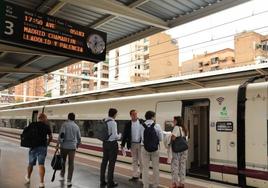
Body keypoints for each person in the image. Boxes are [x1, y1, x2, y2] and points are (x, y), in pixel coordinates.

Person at [25, 113, 52, 188]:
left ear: (38, 118)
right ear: (43, 118)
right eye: (46, 118)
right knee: (41, 164)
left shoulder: (32, 124)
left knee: (30, 163)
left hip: (33, 147)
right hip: (42, 147)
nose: (46, 120)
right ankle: (41, 182)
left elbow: (26, 134)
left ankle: (28, 178)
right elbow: (50, 137)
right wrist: (47, 143)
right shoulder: (46, 126)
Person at [57, 112, 81, 187]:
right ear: (74, 118)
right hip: (72, 147)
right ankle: (69, 181)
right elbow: (79, 137)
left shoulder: (64, 125)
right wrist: (77, 144)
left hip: (64, 146)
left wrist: (58, 144)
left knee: (63, 161)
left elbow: (61, 135)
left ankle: (62, 175)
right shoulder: (76, 126)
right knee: (71, 163)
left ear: (68, 118)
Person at [141, 111, 163, 188]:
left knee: (145, 168)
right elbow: (161, 138)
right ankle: (155, 185)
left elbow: (140, 138)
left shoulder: (142, 125)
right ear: (152, 117)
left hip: (144, 148)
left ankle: (145, 185)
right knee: (156, 167)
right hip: (155, 149)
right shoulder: (157, 126)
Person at [100, 108, 121, 188]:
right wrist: (120, 135)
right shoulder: (113, 122)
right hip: (112, 144)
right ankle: (110, 182)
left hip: (105, 143)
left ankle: (102, 180)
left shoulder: (104, 120)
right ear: (114, 114)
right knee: (111, 163)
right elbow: (115, 136)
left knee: (104, 162)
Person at [121, 109, 143, 181]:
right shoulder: (128, 124)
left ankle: (142, 174)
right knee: (134, 160)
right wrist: (123, 144)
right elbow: (125, 134)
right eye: (133, 114)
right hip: (132, 144)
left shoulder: (142, 122)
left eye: (136, 114)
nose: (135, 115)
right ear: (130, 115)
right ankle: (135, 175)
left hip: (141, 144)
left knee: (141, 160)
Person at [170, 116, 188, 188]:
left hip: (177, 150)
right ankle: (182, 183)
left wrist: (169, 135)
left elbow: (173, 138)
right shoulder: (185, 128)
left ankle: (174, 184)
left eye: (174, 121)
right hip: (184, 149)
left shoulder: (176, 128)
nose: (173, 122)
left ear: (177, 121)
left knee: (175, 166)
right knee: (183, 166)